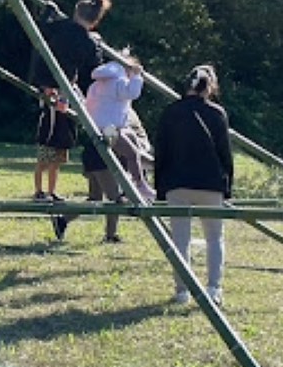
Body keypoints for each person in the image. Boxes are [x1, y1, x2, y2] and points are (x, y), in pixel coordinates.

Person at [153, 64, 233, 305]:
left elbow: (161, 153)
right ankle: (214, 288)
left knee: (180, 240)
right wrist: (227, 188)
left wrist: (159, 188)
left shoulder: (170, 112)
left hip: (177, 183)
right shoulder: (217, 114)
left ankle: (182, 291)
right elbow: (225, 155)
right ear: (210, 88)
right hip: (210, 184)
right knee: (214, 238)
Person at [81, 53, 154, 242]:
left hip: (102, 128)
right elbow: (133, 93)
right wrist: (138, 76)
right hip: (110, 129)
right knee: (131, 153)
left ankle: (141, 178)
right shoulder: (118, 82)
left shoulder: (96, 85)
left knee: (133, 147)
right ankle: (140, 183)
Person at [33, 88, 77, 201]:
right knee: (42, 163)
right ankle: (38, 191)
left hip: (63, 133)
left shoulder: (73, 90)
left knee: (56, 163)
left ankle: (51, 192)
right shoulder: (49, 89)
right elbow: (44, 103)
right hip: (48, 132)